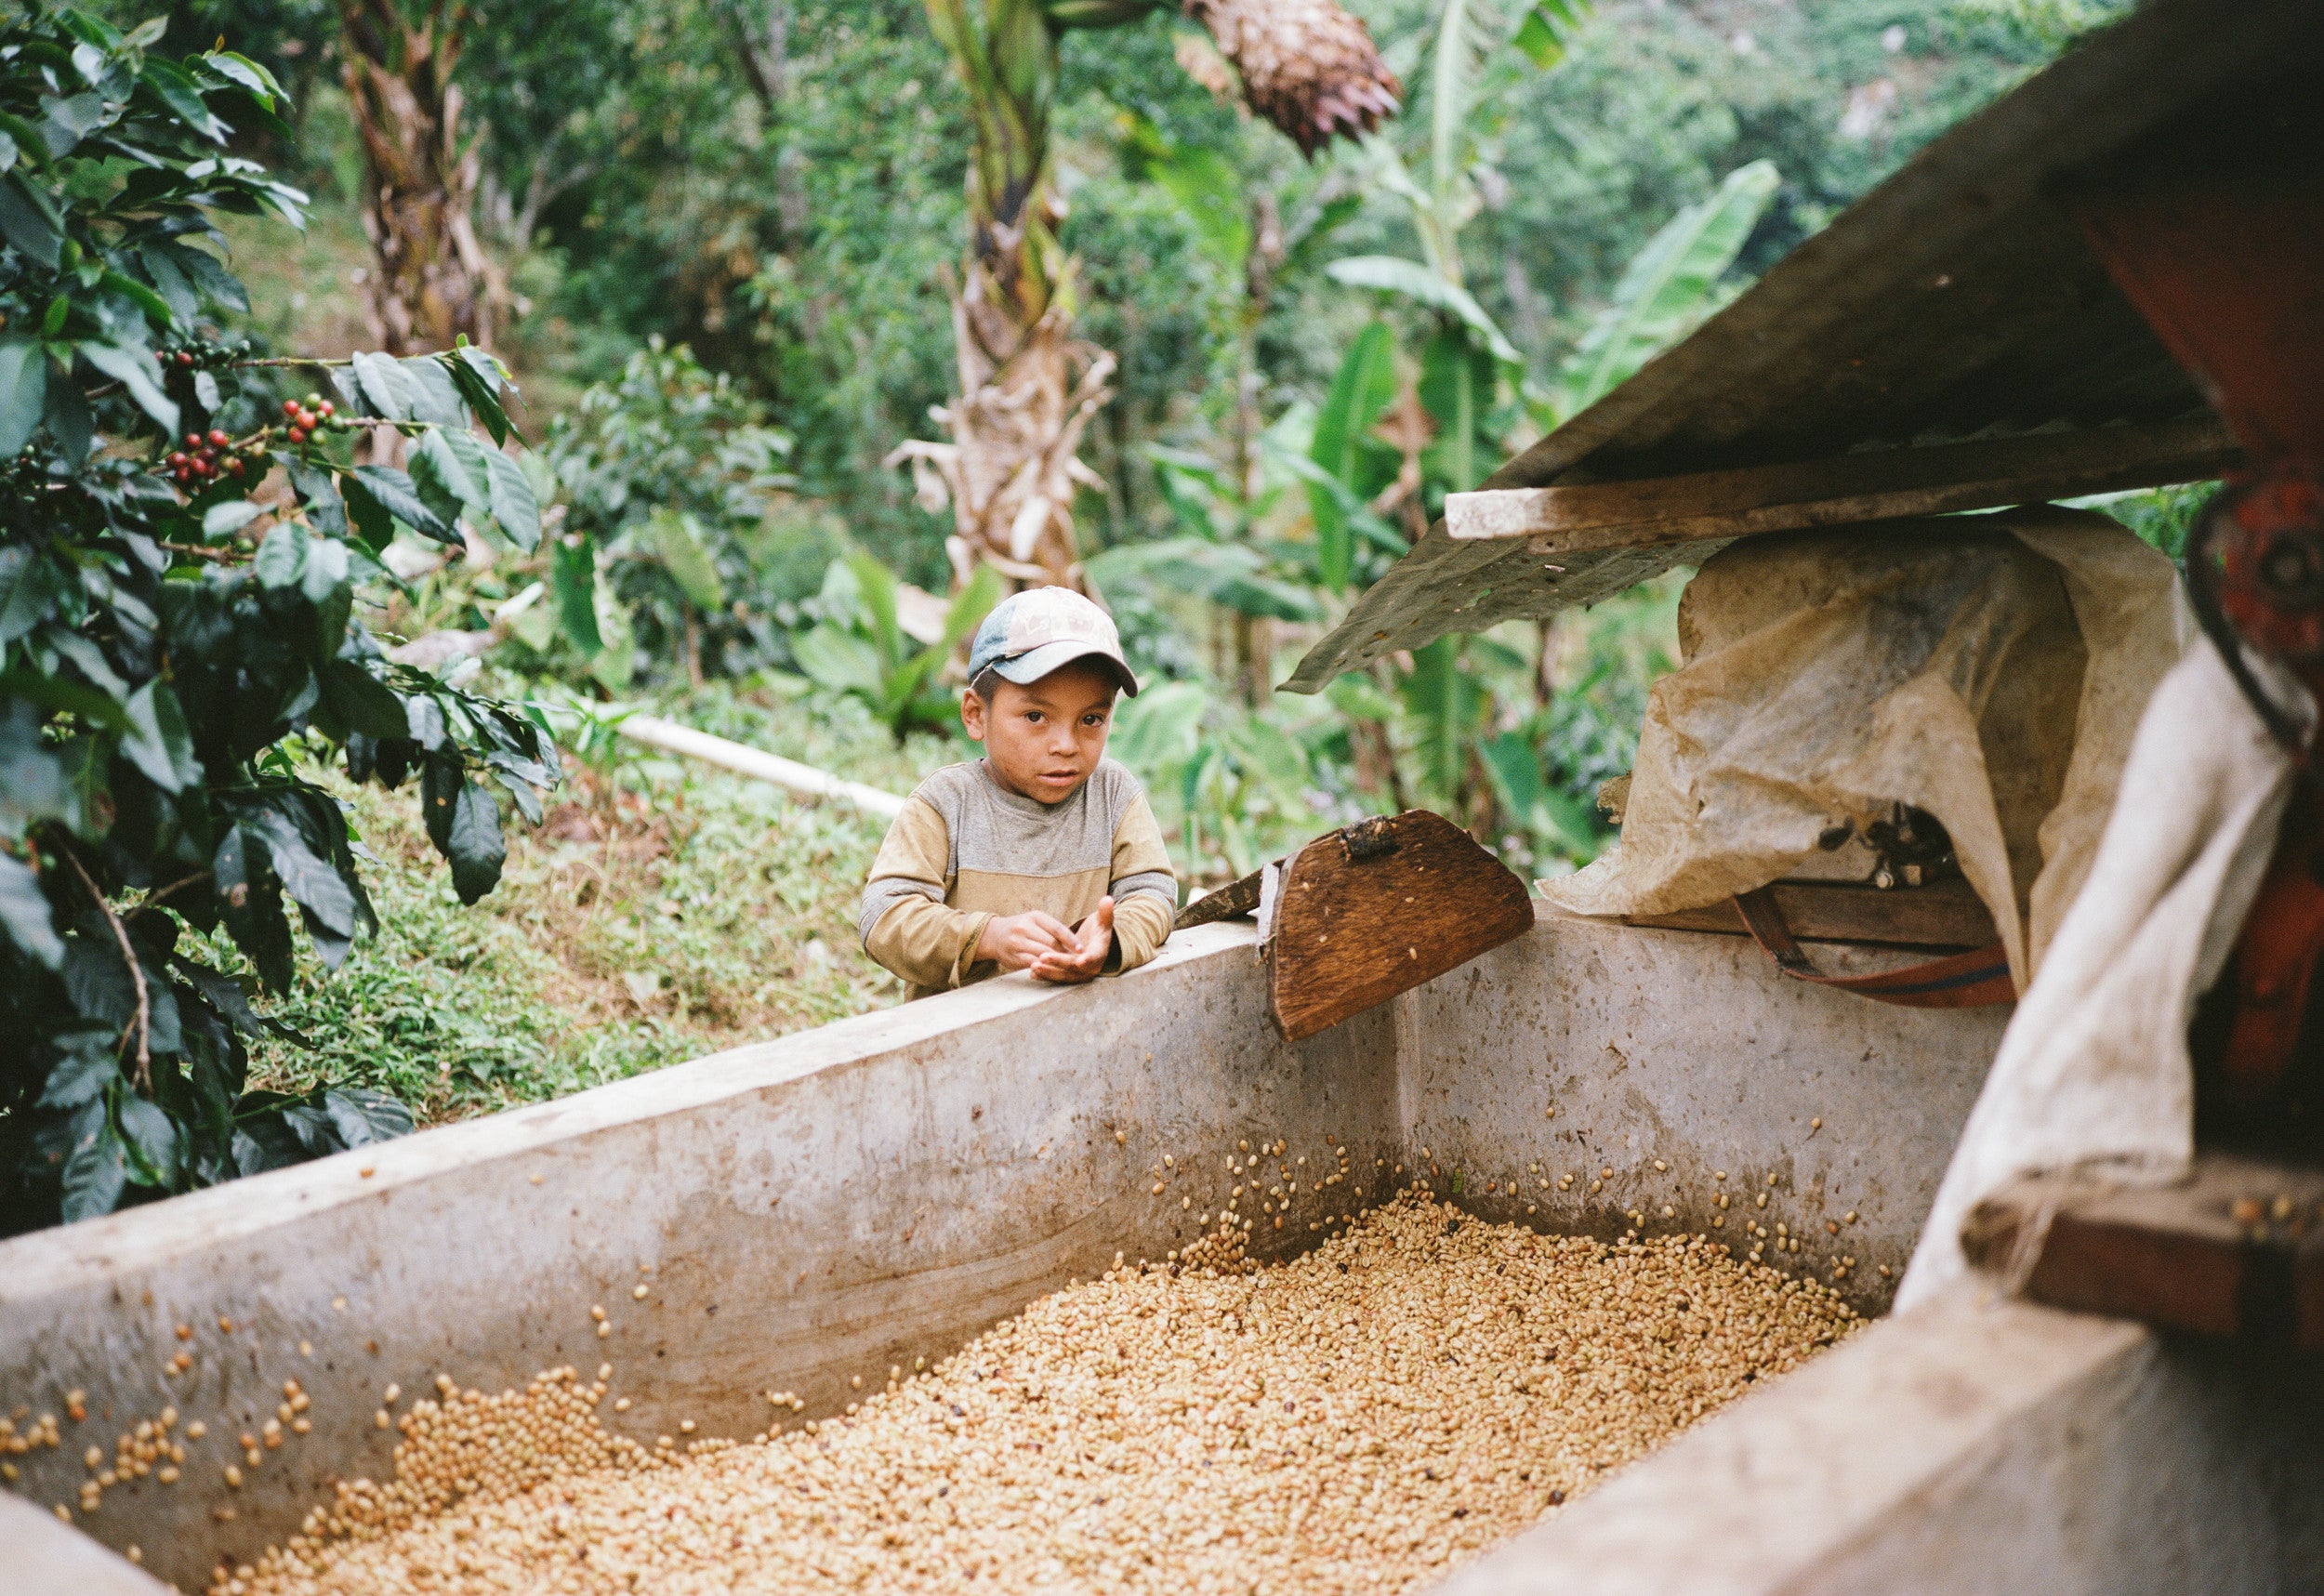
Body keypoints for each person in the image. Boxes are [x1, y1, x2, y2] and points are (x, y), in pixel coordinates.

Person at [857, 587, 1176, 999]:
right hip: (957, 1045)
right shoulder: (946, 803)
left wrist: (1111, 941)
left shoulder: (1113, 795)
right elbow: (884, 919)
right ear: (976, 715)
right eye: (1036, 716)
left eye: (1091, 719)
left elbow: (1152, 893)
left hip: (1083, 1035)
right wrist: (988, 936)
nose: (1066, 744)